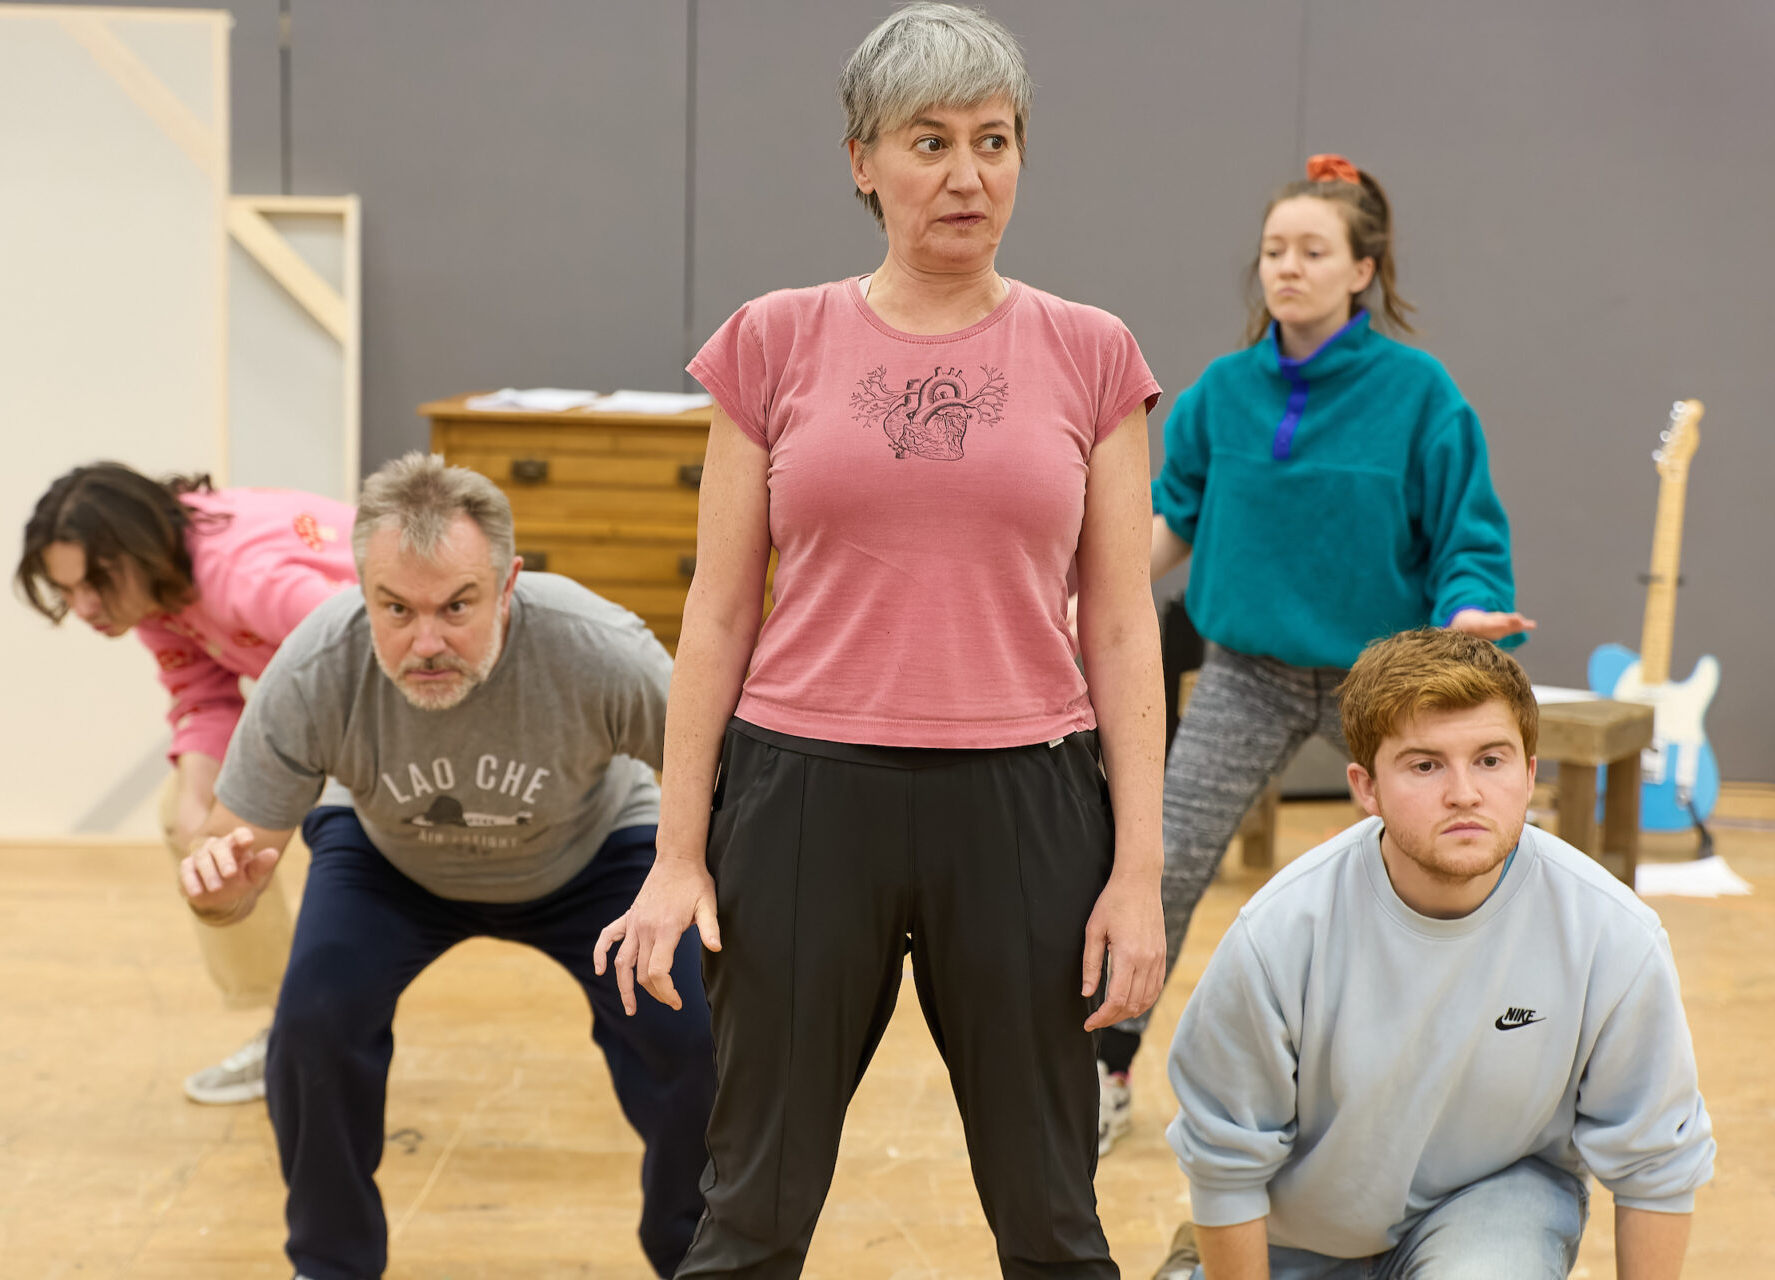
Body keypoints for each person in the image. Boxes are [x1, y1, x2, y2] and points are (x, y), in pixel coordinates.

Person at [595, 6, 1168, 1276]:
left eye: (995, 140)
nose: (968, 175)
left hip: (1026, 800)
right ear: (863, 160)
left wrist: (1138, 871)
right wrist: (676, 851)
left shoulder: (1091, 351)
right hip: (803, 797)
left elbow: (1124, 626)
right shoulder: (774, 339)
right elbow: (719, 612)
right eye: (929, 141)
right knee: (750, 1209)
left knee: (1054, 1219)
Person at [177, 453, 715, 1280]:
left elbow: (718, 786)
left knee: (693, 1037)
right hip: (389, 862)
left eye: (457, 606)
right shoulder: (318, 665)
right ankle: (330, 1264)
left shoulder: (597, 647)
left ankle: (698, 1260)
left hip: (592, 853)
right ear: (362, 590)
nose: (425, 641)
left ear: (509, 586)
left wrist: (690, 879)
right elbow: (230, 865)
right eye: (396, 608)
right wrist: (227, 895)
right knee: (311, 1027)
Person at [1094, 153, 1537, 1152]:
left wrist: (1468, 612)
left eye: (1311, 251)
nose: (1285, 268)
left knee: (1447, 864)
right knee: (1153, 861)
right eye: (1272, 250)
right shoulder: (1219, 393)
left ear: (1362, 269)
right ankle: (1106, 1069)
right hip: (1246, 671)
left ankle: (1477, 1074)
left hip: (1383, 678)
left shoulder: (1422, 395)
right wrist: (1091, 589)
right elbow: (1174, 525)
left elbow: (1469, 539)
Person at [1153, 627, 1713, 1279]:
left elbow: (1657, 1164)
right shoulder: (1280, 932)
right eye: (1425, 765)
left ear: (1530, 774)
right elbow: (1226, 1159)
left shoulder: (1612, 932)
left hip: (1492, 1205)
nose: (1464, 793)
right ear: (1367, 787)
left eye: (1491, 760)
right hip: (1303, 1237)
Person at [16, 462, 356, 1103]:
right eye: (67, 590)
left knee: (337, 830)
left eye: (94, 585)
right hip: (325, 705)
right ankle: (288, 1023)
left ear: (136, 551)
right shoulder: (153, 587)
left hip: (402, 700)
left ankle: (326, 1024)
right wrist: (199, 799)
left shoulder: (246, 579)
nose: (84, 609)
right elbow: (201, 691)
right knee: (188, 815)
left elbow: (380, 643)